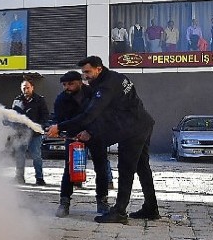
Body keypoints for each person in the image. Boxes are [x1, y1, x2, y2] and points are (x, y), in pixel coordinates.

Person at [46, 56, 159, 224]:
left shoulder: (105, 87)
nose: (85, 76)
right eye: (83, 73)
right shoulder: (114, 77)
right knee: (142, 167)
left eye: (88, 72)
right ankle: (151, 208)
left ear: (98, 68)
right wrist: (90, 131)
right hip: (141, 123)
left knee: (126, 168)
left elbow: (91, 114)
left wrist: (60, 127)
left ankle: (119, 211)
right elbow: (106, 114)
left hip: (132, 129)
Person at [52, 71, 112, 217]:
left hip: (95, 134)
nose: (67, 87)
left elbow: (101, 115)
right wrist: (68, 132)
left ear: (80, 82)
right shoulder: (61, 99)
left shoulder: (93, 94)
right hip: (74, 137)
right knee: (69, 168)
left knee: (101, 167)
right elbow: (60, 120)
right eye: (64, 85)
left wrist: (89, 132)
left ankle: (102, 201)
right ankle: (64, 202)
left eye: (71, 84)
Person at [11, 78, 49, 185]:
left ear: (32, 87)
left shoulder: (40, 100)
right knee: (19, 155)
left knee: (36, 156)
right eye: (24, 88)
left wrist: (39, 126)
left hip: (35, 134)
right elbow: (14, 117)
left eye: (27, 87)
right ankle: (19, 177)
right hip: (21, 134)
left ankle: (39, 178)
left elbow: (45, 116)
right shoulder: (17, 101)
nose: (25, 90)